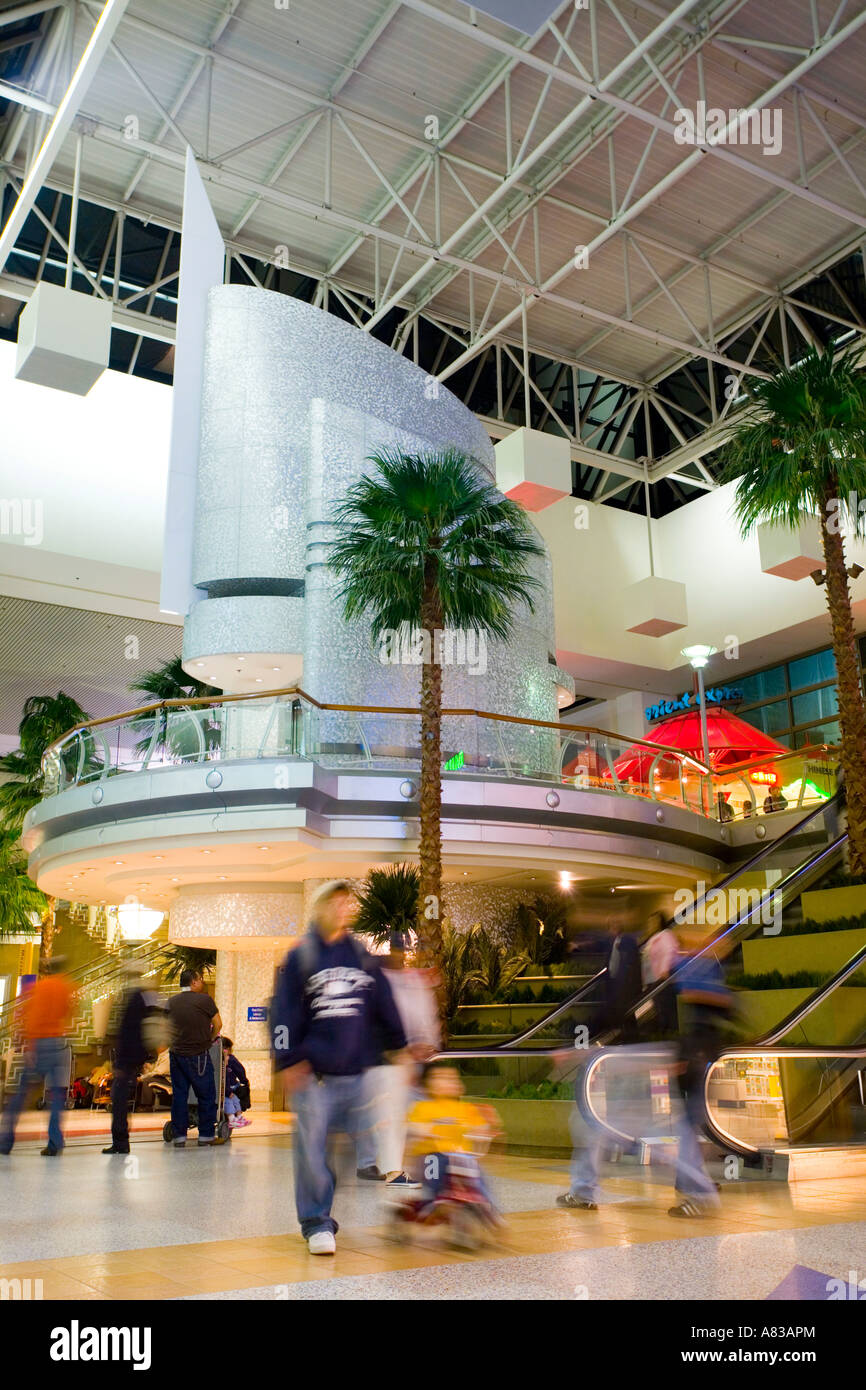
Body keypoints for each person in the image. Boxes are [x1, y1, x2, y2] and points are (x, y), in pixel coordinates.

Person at [270, 880, 407, 1255]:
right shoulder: (302, 956)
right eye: (336, 902)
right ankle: (316, 1222)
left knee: (352, 1153)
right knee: (313, 1151)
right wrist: (287, 1059)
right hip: (314, 1075)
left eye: (348, 902)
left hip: (359, 1073)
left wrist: (400, 1046)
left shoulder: (361, 955)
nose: (344, 907)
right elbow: (282, 1011)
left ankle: (341, 1207)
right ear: (320, 908)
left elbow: (383, 1002)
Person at [364, 935, 441, 1186]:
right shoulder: (384, 982)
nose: (400, 956)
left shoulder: (406, 981)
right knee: (392, 1114)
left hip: (399, 1057)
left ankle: (381, 1165)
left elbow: (421, 1017)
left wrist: (427, 1044)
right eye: (398, 951)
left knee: (393, 1114)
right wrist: (406, 1050)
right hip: (391, 1057)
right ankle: (392, 1171)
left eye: (402, 951)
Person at [667, 943, 732, 1218]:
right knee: (687, 1126)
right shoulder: (705, 975)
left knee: (687, 1125)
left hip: (698, 1058)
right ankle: (690, 1184)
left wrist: (686, 1055)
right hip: (697, 1056)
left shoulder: (705, 978)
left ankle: (699, 1194)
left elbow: (720, 1012)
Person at [0, 957, 75, 1156]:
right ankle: (54, 1142)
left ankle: (5, 1141)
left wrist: (29, 1046)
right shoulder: (67, 988)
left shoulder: (41, 988)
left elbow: (33, 1017)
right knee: (57, 1095)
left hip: (41, 1043)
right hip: (60, 1044)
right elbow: (68, 1013)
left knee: (21, 1093)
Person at [405, 1062, 499, 1212]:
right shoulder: (423, 1108)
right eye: (440, 1077)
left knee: (478, 1175)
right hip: (430, 1157)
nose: (448, 1082)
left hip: (460, 1157)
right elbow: (413, 1125)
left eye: (452, 1078)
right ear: (427, 1085)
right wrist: (423, 1130)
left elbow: (480, 1126)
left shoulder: (466, 1109)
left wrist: (485, 1128)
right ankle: (432, 1204)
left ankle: (489, 1207)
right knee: (436, 1174)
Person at [102, 961, 168, 1155]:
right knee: (119, 1099)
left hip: (127, 1059)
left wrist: (122, 1061)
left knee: (119, 1099)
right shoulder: (143, 997)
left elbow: (129, 1032)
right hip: (132, 1058)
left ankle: (120, 1142)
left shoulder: (134, 998)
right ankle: (121, 1142)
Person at [166, 969, 223, 1148]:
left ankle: (179, 1137)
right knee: (206, 1095)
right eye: (200, 979)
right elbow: (219, 1024)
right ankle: (206, 1136)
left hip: (176, 1054)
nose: (203, 982)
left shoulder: (171, 1002)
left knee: (179, 1096)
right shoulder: (204, 1000)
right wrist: (211, 1038)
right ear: (193, 982)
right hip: (198, 1054)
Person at [641, 911, 680, 1035]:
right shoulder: (652, 939)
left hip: (661, 980)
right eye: (650, 922)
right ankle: (665, 1034)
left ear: (660, 922)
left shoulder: (665, 935)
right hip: (652, 980)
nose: (651, 924)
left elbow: (671, 951)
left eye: (654, 921)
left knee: (666, 1009)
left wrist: (664, 969)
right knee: (659, 1009)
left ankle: (669, 1035)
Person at [222, 1038, 252, 1129]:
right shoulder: (229, 1060)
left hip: (225, 1088)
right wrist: (245, 1081)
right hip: (228, 1088)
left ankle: (239, 1117)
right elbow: (240, 1071)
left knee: (235, 1099)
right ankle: (232, 1119)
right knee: (229, 1100)